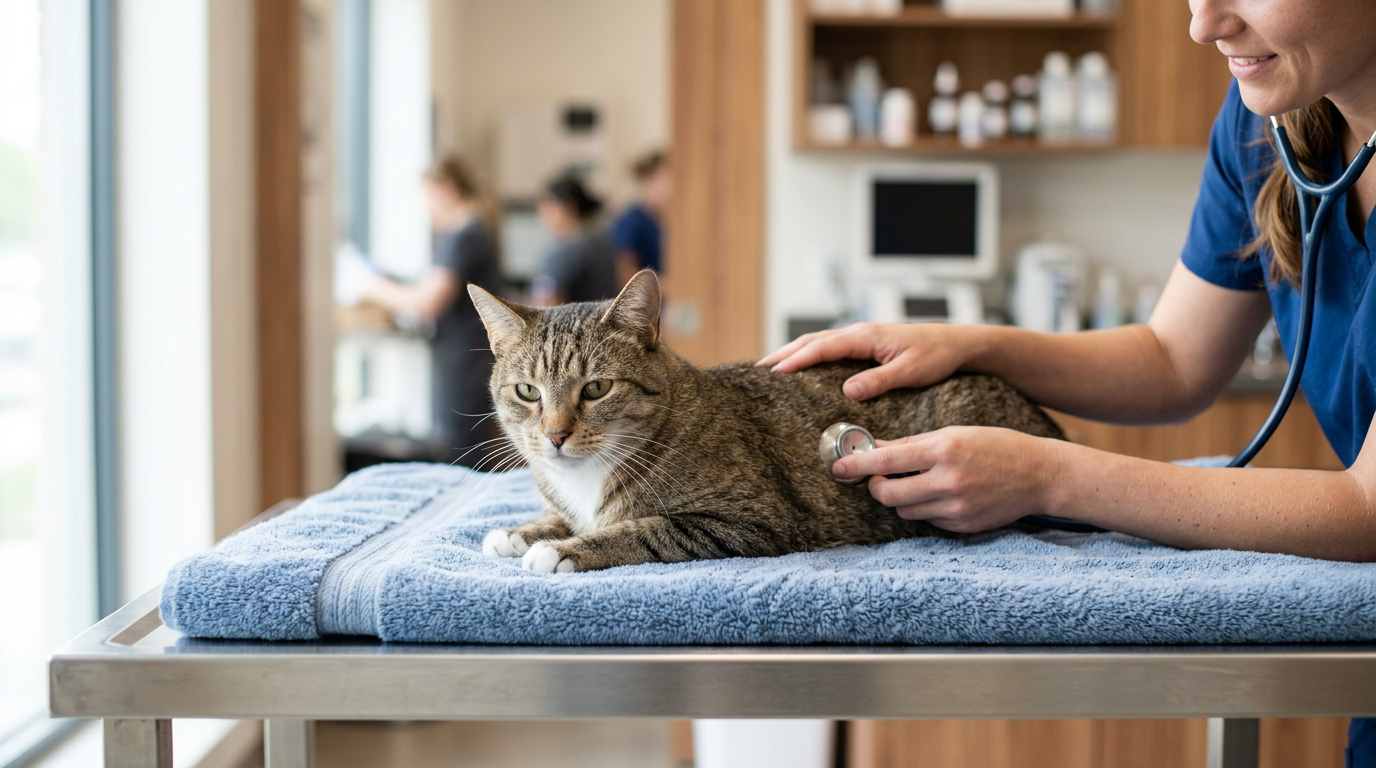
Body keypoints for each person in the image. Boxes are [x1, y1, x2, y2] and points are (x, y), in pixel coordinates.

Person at [762, 1, 1376, 759]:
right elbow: (1172, 360)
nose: (1203, 24)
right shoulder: (1272, 120)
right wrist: (968, 344)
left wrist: (1049, 476)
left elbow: (1368, 510)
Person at [359, 156, 504, 467]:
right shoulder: (471, 232)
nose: (425, 209)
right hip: (465, 357)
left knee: (460, 450)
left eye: (427, 197)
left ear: (446, 189)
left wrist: (369, 287)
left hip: (464, 361)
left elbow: (428, 301)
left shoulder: (464, 235)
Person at [530, 175, 619, 305]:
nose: (542, 214)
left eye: (548, 207)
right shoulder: (604, 245)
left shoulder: (562, 252)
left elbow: (543, 304)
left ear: (567, 207)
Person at [609, 150, 671, 287]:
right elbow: (629, 279)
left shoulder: (663, 220)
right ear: (651, 179)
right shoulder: (631, 222)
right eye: (667, 179)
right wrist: (669, 285)